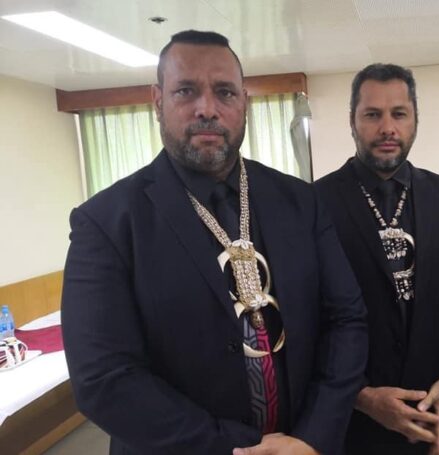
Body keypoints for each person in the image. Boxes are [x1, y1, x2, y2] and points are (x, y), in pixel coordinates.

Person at [61, 30, 368, 455]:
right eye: (186, 91)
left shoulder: (300, 201)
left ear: (244, 102)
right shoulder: (107, 222)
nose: (207, 108)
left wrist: (313, 437)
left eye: (224, 92)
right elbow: (104, 379)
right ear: (157, 101)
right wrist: (239, 448)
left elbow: (346, 320)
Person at [315, 63, 439, 455]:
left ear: (415, 119)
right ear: (352, 121)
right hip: (353, 431)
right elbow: (304, 320)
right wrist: (361, 396)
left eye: (399, 113)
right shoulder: (314, 205)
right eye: (372, 115)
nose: (387, 129)